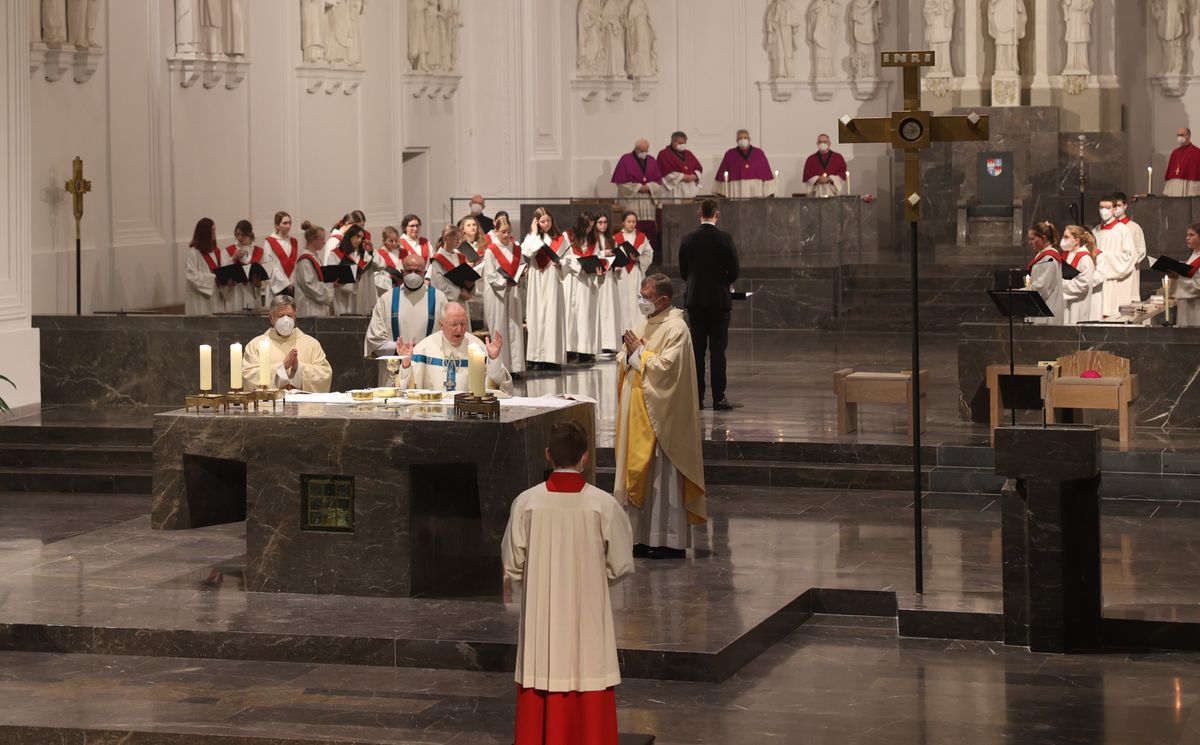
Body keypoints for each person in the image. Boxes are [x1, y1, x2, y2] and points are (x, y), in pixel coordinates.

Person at [502, 420, 634, 745]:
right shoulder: (603, 505)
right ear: (585, 457)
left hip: (541, 617)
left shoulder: (527, 503)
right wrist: (591, 577)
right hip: (587, 612)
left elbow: (512, 563)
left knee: (541, 669)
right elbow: (621, 563)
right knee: (588, 666)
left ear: (548, 455)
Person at [614, 273, 707, 559]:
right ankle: (640, 537)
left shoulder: (677, 328)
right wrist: (629, 355)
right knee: (640, 473)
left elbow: (667, 369)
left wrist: (638, 353)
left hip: (662, 416)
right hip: (637, 411)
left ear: (664, 300)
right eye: (640, 296)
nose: (641, 302)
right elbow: (625, 355)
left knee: (661, 477)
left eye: (647, 298)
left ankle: (667, 539)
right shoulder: (645, 322)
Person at [679, 199, 739, 410]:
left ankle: (697, 398)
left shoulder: (687, 239)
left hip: (695, 300)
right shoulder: (725, 239)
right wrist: (722, 282)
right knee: (718, 351)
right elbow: (734, 271)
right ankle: (719, 398)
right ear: (717, 214)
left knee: (697, 351)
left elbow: (684, 272)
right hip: (719, 301)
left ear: (699, 214)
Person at [364, 253, 448, 385]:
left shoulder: (439, 299)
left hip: (428, 370)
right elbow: (374, 338)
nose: (413, 274)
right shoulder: (387, 299)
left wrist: (423, 349)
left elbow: (447, 335)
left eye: (417, 271)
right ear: (402, 272)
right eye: (409, 271)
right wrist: (399, 349)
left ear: (425, 273)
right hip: (394, 371)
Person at [394, 302, 513, 393]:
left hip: (468, 412)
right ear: (441, 324)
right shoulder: (424, 349)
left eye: (463, 324)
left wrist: (493, 359)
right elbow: (406, 390)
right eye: (454, 324)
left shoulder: (478, 348)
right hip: (433, 412)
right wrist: (406, 364)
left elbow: (498, 386)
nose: (460, 329)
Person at [241, 295, 333, 392]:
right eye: (280, 316)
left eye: (289, 316)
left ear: (295, 317)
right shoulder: (256, 345)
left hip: (303, 401)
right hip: (271, 401)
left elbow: (325, 374)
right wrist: (281, 367)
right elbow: (249, 376)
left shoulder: (311, 344)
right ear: (271, 318)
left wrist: (299, 368)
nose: (286, 320)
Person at [522, 208, 569, 370]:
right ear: (536, 222)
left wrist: (561, 263)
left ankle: (552, 358)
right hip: (537, 279)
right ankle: (536, 358)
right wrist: (534, 232)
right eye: (542, 221)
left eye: (548, 220)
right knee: (536, 316)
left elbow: (569, 259)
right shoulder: (532, 237)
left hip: (552, 279)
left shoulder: (560, 239)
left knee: (551, 316)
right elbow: (527, 251)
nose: (546, 224)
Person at [482, 216, 527, 376]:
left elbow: (521, 265)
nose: (506, 235)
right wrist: (503, 282)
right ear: (496, 232)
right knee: (499, 327)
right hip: (497, 294)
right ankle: (501, 367)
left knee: (514, 327)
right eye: (503, 232)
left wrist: (523, 272)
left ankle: (515, 366)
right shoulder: (491, 250)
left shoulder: (516, 249)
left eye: (508, 231)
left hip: (512, 292)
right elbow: (490, 275)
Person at [564, 212, 604, 363]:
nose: (589, 230)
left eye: (591, 227)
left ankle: (585, 351)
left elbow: (597, 257)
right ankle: (570, 350)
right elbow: (563, 257)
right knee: (570, 315)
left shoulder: (593, 241)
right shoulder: (568, 237)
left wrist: (599, 268)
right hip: (571, 280)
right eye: (587, 227)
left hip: (587, 282)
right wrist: (578, 266)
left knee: (586, 316)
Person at [1092, 196, 1138, 318]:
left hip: (1116, 281)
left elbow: (1129, 257)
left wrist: (1103, 256)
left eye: (1107, 207)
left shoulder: (1123, 230)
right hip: (1100, 280)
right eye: (1101, 207)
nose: (1104, 211)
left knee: (1114, 315)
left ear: (1114, 209)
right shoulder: (1095, 231)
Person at [613, 211, 655, 332]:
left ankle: (638, 329)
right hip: (622, 273)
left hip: (636, 271)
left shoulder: (641, 237)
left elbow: (649, 254)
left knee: (636, 298)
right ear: (623, 222)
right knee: (623, 299)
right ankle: (623, 330)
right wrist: (616, 264)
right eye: (629, 221)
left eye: (634, 222)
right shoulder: (616, 238)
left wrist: (638, 259)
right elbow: (612, 255)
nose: (631, 224)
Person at [611, 139, 665, 226]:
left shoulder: (651, 160)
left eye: (646, 151)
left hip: (647, 200)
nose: (644, 153)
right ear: (636, 149)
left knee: (648, 227)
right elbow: (621, 184)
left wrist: (649, 187)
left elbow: (658, 182)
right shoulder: (625, 159)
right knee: (632, 224)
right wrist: (638, 187)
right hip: (632, 200)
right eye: (641, 151)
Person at [430, 224, 476, 321]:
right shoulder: (438, 259)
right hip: (448, 302)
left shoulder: (460, 256)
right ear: (447, 238)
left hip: (462, 301)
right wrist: (459, 293)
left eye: (460, 239)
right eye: (456, 238)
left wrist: (470, 286)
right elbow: (438, 285)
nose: (459, 241)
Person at [712, 130, 777, 198]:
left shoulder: (759, 153)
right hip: (737, 189)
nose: (743, 140)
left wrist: (769, 192)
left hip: (756, 189)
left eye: (745, 138)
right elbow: (722, 173)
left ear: (749, 139)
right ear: (736, 140)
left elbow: (766, 172)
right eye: (740, 138)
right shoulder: (730, 154)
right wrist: (721, 191)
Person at [295, 221, 337, 318]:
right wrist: (330, 287)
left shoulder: (315, 257)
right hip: (309, 307)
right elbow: (309, 285)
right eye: (321, 239)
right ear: (312, 239)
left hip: (317, 306)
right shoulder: (305, 260)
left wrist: (331, 283)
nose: (324, 242)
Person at [594, 213, 623, 354]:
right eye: (600, 222)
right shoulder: (592, 239)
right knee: (600, 307)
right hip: (598, 277)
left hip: (610, 278)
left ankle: (609, 342)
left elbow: (616, 256)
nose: (603, 225)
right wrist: (602, 253)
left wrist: (618, 264)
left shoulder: (611, 240)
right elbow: (590, 256)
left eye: (605, 222)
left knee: (610, 309)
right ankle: (600, 341)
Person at [222, 219, 265, 313]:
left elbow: (264, 274)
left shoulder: (258, 251)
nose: (239, 237)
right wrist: (233, 258)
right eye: (237, 234)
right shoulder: (228, 251)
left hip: (252, 292)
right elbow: (223, 273)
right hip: (235, 293)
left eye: (243, 235)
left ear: (249, 234)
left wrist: (259, 282)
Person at [185, 217, 225, 316]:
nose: (214, 233)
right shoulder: (194, 253)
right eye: (212, 231)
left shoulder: (215, 251)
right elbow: (191, 275)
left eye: (215, 230)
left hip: (216, 296)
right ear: (204, 233)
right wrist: (213, 278)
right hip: (201, 298)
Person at [1026, 222, 1064, 325]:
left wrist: (1023, 293)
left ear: (1043, 238)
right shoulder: (1042, 255)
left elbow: (1042, 287)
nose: (1030, 242)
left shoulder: (1050, 258)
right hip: (1039, 308)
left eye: (1032, 239)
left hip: (1047, 308)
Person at [328, 224, 369, 316]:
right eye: (357, 236)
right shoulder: (336, 253)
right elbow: (331, 274)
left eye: (361, 238)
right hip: (341, 295)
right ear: (350, 235)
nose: (359, 240)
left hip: (358, 295)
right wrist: (348, 274)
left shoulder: (363, 255)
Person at [1060, 224, 1097, 324]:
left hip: (1077, 305)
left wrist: (1060, 284)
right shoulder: (1067, 255)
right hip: (1064, 304)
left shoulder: (1084, 258)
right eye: (1063, 236)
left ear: (1076, 240)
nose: (1063, 239)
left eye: (1066, 237)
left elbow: (1083, 284)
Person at [1113, 193, 1147, 296]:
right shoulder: (1106, 228)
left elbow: (1141, 251)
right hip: (1111, 270)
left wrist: (1125, 263)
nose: (1116, 208)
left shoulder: (1134, 227)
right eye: (1114, 206)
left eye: (1119, 205)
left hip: (1129, 271)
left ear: (1125, 206)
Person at [1166, 223, 1200, 327]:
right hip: (1187, 305)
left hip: (1196, 307)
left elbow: (1198, 286)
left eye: (1191, 235)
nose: (1187, 238)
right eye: (1187, 235)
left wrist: (1178, 277)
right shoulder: (1195, 254)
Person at [263, 211, 299, 304]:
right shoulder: (269, 242)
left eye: (290, 223)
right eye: (285, 223)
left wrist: (292, 282)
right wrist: (285, 283)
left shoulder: (293, 242)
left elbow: (295, 265)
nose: (288, 226)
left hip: (292, 286)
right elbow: (270, 266)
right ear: (277, 226)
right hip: (277, 286)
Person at [656, 131, 704, 200]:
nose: (682, 145)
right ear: (673, 141)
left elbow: (698, 168)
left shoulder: (688, 153)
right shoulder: (663, 154)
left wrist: (694, 176)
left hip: (689, 189)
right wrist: (683, 177)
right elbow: (664, 171)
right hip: (673, 190)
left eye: (684, 143)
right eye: (680, 143)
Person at [802, 134, 848, 198]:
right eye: (820, 142)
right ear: (817, 144)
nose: (822, 144)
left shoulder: (838, 157)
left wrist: (830, 178)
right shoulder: (811, 159)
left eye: (825, 142)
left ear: (829, 143)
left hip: (832, 191)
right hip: (817, 192)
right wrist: (817, 179)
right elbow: (807, 175)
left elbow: (842, 174)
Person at [1165, 127, 1200, 197]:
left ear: (1188, 136)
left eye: (1182, 135)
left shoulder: (1197, 152)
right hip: (1175, 184)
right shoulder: (1175, 152)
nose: (1179, 137)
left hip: (1190, 185)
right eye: (1178, 135)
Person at [372, 225, 404, 297]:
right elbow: (377, 276)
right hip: (387, 289)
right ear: (384, 241)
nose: (394, 243)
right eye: (391, 241)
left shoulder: (399, 252)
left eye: (396, 240)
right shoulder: (379, 255)